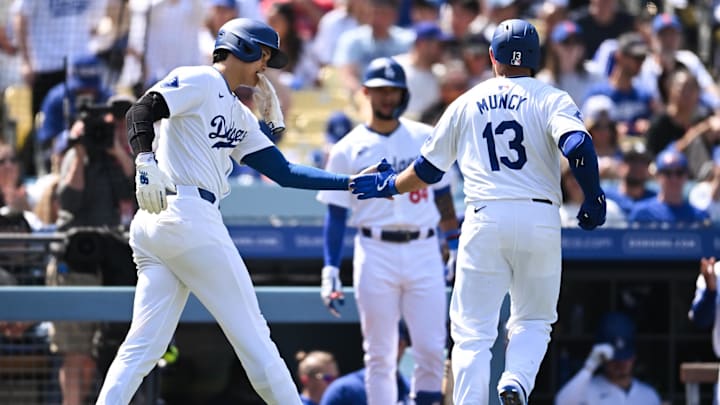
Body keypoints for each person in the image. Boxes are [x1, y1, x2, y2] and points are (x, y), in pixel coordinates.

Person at [95, 18, 390, 405]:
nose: (264, 66)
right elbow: (141, 110)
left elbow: (284, 173)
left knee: (144, 345)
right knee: (255, 339)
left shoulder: (239, 112)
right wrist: (145, 159)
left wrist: (347, 182)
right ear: (243, 47)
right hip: (187, 215)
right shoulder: (200, 78)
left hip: (163, 224)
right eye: (263, 55)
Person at [350, 19, 607, 405]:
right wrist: (593, 197)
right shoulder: (551, 97)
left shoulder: (468, 100)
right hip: (539, 216)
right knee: (534, 319)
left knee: (472, 332)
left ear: (492, 56)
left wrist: (390, 186)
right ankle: (516, 380)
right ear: (536, 58)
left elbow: (428, 171)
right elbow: (578, 146)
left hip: (484, 217)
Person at [317, 56, 458, 405]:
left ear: (403, 94)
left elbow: (442, 195)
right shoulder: (348, 147)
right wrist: (330, 267)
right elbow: (336, 213)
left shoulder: (425, 136)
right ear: (365, 92)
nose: (387, 98)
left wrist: (453, 243)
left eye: (393, 91)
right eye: (380, 91)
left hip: (424, 246)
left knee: (430, 348)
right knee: (379, 354)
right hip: (374, 247)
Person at [554, 311, 662, 405]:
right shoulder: (588, 389)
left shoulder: (649, 395)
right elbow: (561, 402)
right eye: (615, 359)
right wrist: (589, 366)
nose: (620, 364)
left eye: (624, 358)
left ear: (633, 356)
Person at [320, 322, 412, 405]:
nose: (382, 346)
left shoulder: (411, 389)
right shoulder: (344, 390)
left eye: (398, 342)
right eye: (377, 339)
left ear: (402, 345)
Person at [627, 147, 710, 226]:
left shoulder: (699, 216)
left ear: (686, 176)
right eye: (667, 173)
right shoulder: (642, 213)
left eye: (679, 173)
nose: (674, 179)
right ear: (657, 176)